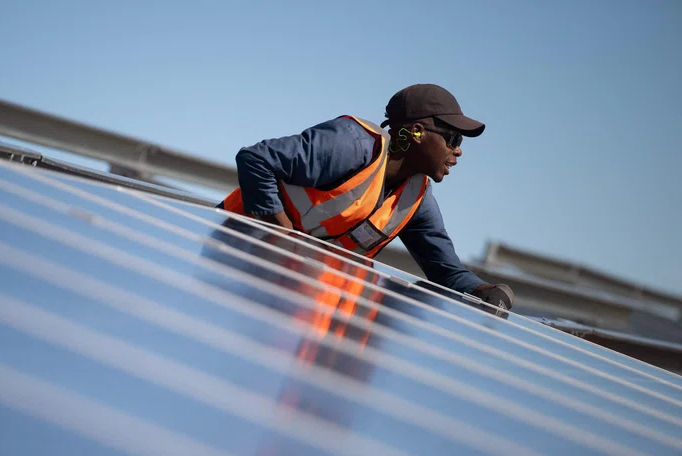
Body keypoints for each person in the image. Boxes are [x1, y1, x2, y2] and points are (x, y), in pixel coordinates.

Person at [217, 83, 514, 312]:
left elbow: (445, 271)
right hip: (233, 259)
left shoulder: (416, 199)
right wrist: (285, 242)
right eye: (453, 139)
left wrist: (484, 291)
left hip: (289, 299)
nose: (458, 150)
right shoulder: (351, 145)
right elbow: (256, 159)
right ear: (418, 132)